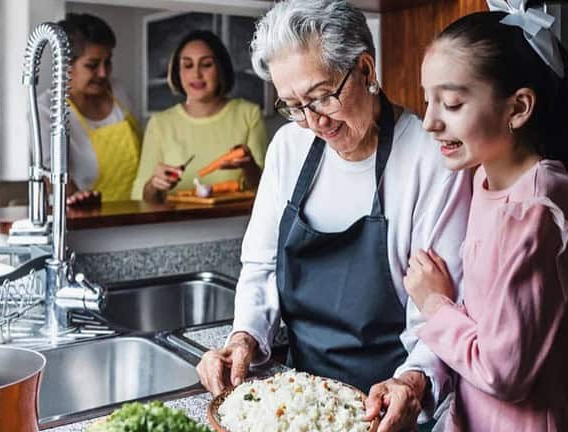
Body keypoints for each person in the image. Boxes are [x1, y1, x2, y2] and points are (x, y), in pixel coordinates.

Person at [195, 1, 471, 430]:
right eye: (293, 105)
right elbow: (261, 266)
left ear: (365, 69)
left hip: (389, 412)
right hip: (303, 407)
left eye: (322, 97)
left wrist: (413, 381)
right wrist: (244, 337)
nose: (312, 121)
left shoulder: (430, 158)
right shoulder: (289, 149)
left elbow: (439, 306)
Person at [403, 3, 568, 431]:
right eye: (428, 101)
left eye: (452, 103)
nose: (429, 122)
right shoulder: (486, 182)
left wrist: (434, 304)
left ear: (517, 108)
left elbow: (503, 371)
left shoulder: (538, 209)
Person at [132, 30, 267, 203]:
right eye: (188, 66)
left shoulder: (249, 114)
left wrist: (250, 168)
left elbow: (266, 191)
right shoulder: (160, 123)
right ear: (178, 73)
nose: (196, 74)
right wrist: (154, 185)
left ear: (220, 69)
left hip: (234, 224)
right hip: (174, 226)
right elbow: (138, 196)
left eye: (206, 64)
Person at [39, 13, 142, 205]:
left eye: (108, 62)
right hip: (85, 219)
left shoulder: (118, 91)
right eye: (92, 65)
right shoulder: (46, 109)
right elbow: (52, 175)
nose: (103, 73)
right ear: (65, 65)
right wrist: (77, 199)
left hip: (134, 212)